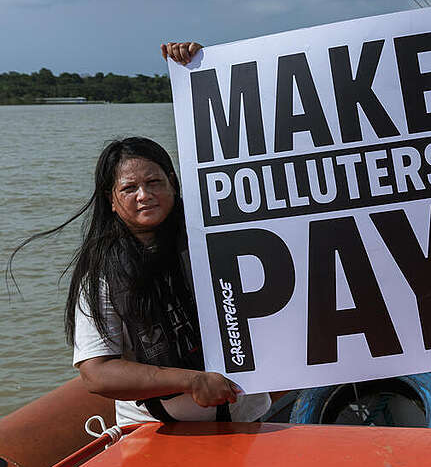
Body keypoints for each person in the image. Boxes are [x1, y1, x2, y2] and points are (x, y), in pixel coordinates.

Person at [10, 131, 270, 425]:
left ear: (173, 183)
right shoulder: (101, 273)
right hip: (158, 431)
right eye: (129, 188)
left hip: (248, 416)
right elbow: (96, 372)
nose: (144, 195)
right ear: (111, 200)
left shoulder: (221, 239)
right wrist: (192, 381)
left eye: (154, 182)